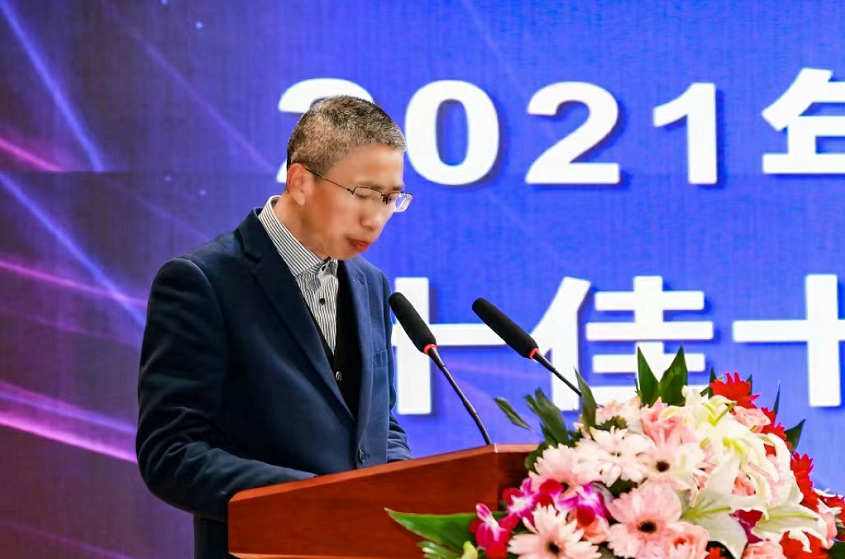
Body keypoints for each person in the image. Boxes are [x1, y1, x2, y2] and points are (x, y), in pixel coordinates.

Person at [136, 96, 413, 559]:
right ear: (300, 182)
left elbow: (379, 426)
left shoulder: (371, 282)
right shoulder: (203, 282)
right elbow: (171, 453)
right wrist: (318, 500)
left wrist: (408, 494)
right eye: (363, 194)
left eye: (389, 199)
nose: (375, 218)